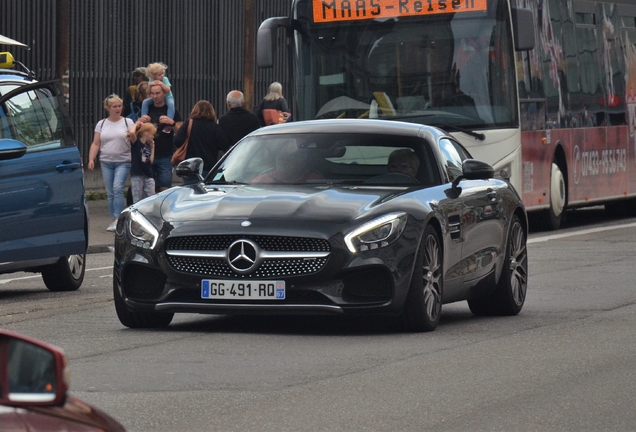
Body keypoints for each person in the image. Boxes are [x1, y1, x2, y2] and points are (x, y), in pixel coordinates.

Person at [88, 94, 134, 231]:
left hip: (123, 160)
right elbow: (96, 143)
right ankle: (113, 218)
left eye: (119, 106)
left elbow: (134, 139)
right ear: (108, 108)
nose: (118, 109)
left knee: (117, 188)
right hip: (106, 161)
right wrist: (91, 159)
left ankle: (118, 218)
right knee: (110, 192)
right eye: (114, 106)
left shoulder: (127, 122)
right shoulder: (101, 123)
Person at [133, 81, 183, 192]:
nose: (155, 96)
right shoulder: (147, 108)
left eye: (158, 93)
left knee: (165, 187)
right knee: (147, 186)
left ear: (164, 93)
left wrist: (172, 123)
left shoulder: (172, 110)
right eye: (152, 93)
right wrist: (139, 122)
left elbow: (180, 133)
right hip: (147, 152)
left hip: (165, 154)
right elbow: (137, 132)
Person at [173, 100, 230, 184]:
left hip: (191, 167)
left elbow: (177, 141)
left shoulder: (189, 124)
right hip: (209, 167)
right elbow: (224, 145)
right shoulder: (215, 127)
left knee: (191, 192)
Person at [127, 122, 157, 203]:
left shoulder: (148, 146)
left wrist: (153, 148)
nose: (153, 136)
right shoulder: (136, 143)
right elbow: (132, 132)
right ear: (146, 133)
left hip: (148, 174)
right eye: (152, 134)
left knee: (151, 196)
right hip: (137, 174)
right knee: (137, 197)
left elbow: (151, 160)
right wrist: (137, 124)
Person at [141, 63, 175, 133]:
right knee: (145, 102)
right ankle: (143, 118)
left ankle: (168, 123)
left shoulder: (165, 79)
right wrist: (150, 85)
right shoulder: (151, 80)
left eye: (162, 73)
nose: (162, 76)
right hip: (155, 98)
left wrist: (161, 84)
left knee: (171, 104)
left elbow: (168, 90)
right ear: (154, 76)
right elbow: (148, 92)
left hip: (168, 97)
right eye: (159, 75)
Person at [251, 150, 321, 184]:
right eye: (280, 158)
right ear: (275, 162)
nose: (284, 161)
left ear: (302, 162)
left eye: (290, 158)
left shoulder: (317, 181)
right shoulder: (261, 180)